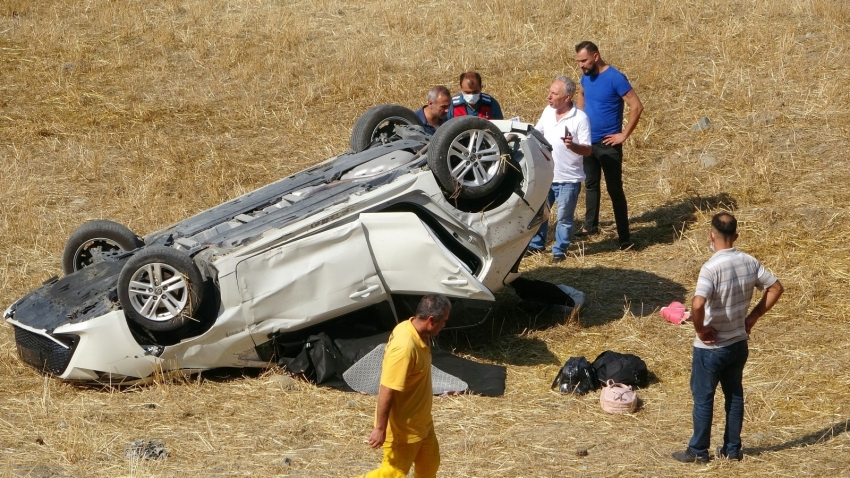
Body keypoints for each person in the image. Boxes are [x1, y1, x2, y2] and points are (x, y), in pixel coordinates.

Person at [672, 213, 784, 464]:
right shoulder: (749, 261)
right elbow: (776, 287)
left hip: (711, 347)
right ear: (735, 236)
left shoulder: (711, 267)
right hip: (738, 343)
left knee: (703, 398)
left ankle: (698, 451)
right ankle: (732, 449)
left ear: (711, 235)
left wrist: (700, 329)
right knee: (734, 396)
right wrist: (753, 317)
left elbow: (698, 302)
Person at [361, 294, 451, 478]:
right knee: (393, 473)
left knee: (429, 466)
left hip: (422, 424)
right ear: (431, 320)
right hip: (404, 430)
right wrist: (380, 428)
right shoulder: (404, 348)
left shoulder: (414, 329)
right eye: (443, 321)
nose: (444, 326)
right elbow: (387, 388)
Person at [573, 41, 643, 250]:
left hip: (607, 144)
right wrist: (579, 121)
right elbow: (582, 94)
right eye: (578, 61)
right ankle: (590, 226)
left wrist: (623, 135)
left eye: (584, 60)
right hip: (588, 142)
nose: (581, 65)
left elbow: (637, 106)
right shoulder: (586, 75)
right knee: (591, 184)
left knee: (615, 189)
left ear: (596, 56)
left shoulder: (615, 78)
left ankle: (624, 238)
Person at [527, 76, 591, 263]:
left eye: (554, 94)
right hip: (546, 175)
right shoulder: (548, 111)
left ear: (567, 97)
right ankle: (537, 244)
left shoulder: (580, 119)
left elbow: (587, 150)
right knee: (540, 213)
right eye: (550, 92)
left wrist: (573, 146)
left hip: (568, 179)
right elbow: (536, 133)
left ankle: (559, 250)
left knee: (564, 217)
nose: (549, 96)